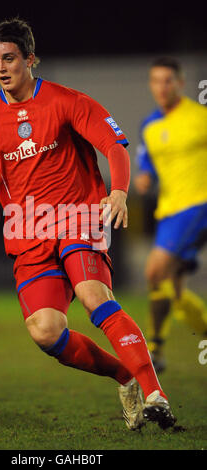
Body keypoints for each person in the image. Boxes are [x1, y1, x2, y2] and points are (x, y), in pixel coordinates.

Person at [0, 18, 176, 430]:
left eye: (9, 58)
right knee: (46, 332)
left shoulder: (68, 101)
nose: (1, 68)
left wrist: (117, 192)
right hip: (28, 232)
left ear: (29, 59)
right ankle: (125, 375)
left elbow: (113, 146)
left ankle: (156, 394)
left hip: (79, 218)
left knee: (95, 296)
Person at [134, 57, 207, 372]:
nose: (162, 87)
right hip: (168, 212)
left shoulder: (200, 117)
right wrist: (145, 176)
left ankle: (155, 349)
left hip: (199, 204)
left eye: (168, 80)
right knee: (175, 295)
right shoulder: (150, 126)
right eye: (156, 81)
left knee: (154, 271)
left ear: (180, 83)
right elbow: (147, 161)